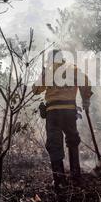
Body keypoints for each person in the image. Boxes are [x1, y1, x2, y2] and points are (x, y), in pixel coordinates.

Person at [32, 49, 92, 191]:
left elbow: (35, 90)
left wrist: (42, 74)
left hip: (53, 112)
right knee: (72, 140)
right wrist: (86, 100)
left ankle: (59, 180)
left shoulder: (49, 71)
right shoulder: (73, 69)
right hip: (69, 111)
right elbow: (86, 83)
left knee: (55, 143)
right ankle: (76, 175)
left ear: (50, 59)